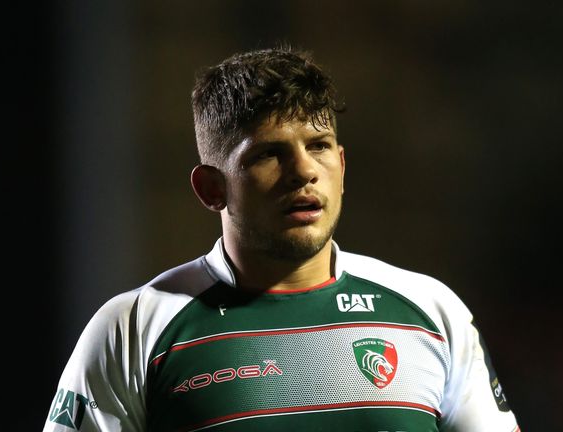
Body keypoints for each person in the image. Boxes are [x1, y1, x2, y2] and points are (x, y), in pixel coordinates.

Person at [44, 46, 521, 432]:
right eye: (270, 154)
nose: (304, 172)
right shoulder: (133, 331)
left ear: (342, 167)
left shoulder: (431, 312)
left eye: (318, 147)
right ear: (212, 188)